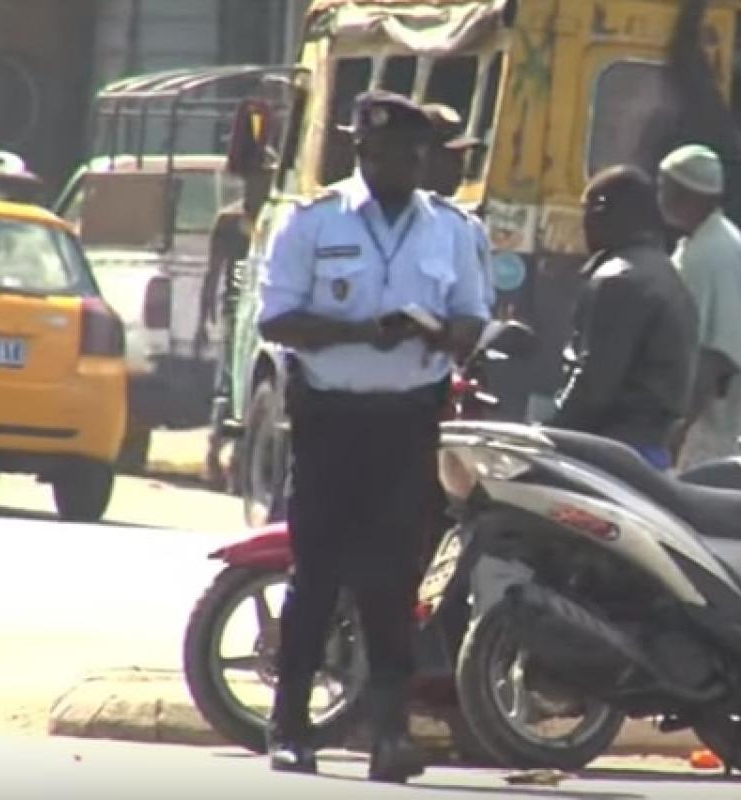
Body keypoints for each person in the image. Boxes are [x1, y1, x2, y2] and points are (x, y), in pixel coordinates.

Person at [256, 90, 488, 780]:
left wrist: (450, 336)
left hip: (406, 422)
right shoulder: (312, 221)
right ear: (364, 152)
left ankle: (389, 733)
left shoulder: (451, 228)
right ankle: (290, 726)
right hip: (330, 420)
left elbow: (473, 314)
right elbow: (277, 321)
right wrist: (362, 332)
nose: (410, 165)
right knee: (317, 576)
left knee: (393, 583)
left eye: (420, 154)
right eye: (395, 153)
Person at [552, 165, 697, 470]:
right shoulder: (667, 274)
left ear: (602, 211)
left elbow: (593, 387)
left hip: (609, 454)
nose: (584, 225)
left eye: (586, 211)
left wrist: (546, 438)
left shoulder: (618, 279)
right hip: (650, 451)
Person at [657, 144, 741, 467]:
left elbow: (716, 356)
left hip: (714, 430)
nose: (659, 197)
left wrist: (680, 424)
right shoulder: (706, 240)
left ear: (689, 194)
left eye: (665, 188)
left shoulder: (711, 253)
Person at [199, 154, 276, 489]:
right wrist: (205, 312)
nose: (261, 183)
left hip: (266, 306)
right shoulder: (229, 220)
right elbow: (213, 269)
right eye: (257, 176)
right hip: (236, 308)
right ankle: (214, 456)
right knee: (228, 384)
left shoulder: (274, 216)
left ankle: (240, 463)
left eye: (267, 176)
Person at [422, 102, 495, 311]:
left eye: (462, 158)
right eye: (450, 157)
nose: (460, 169)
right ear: (421, 155)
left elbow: (482, 303)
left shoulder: (468, 227)